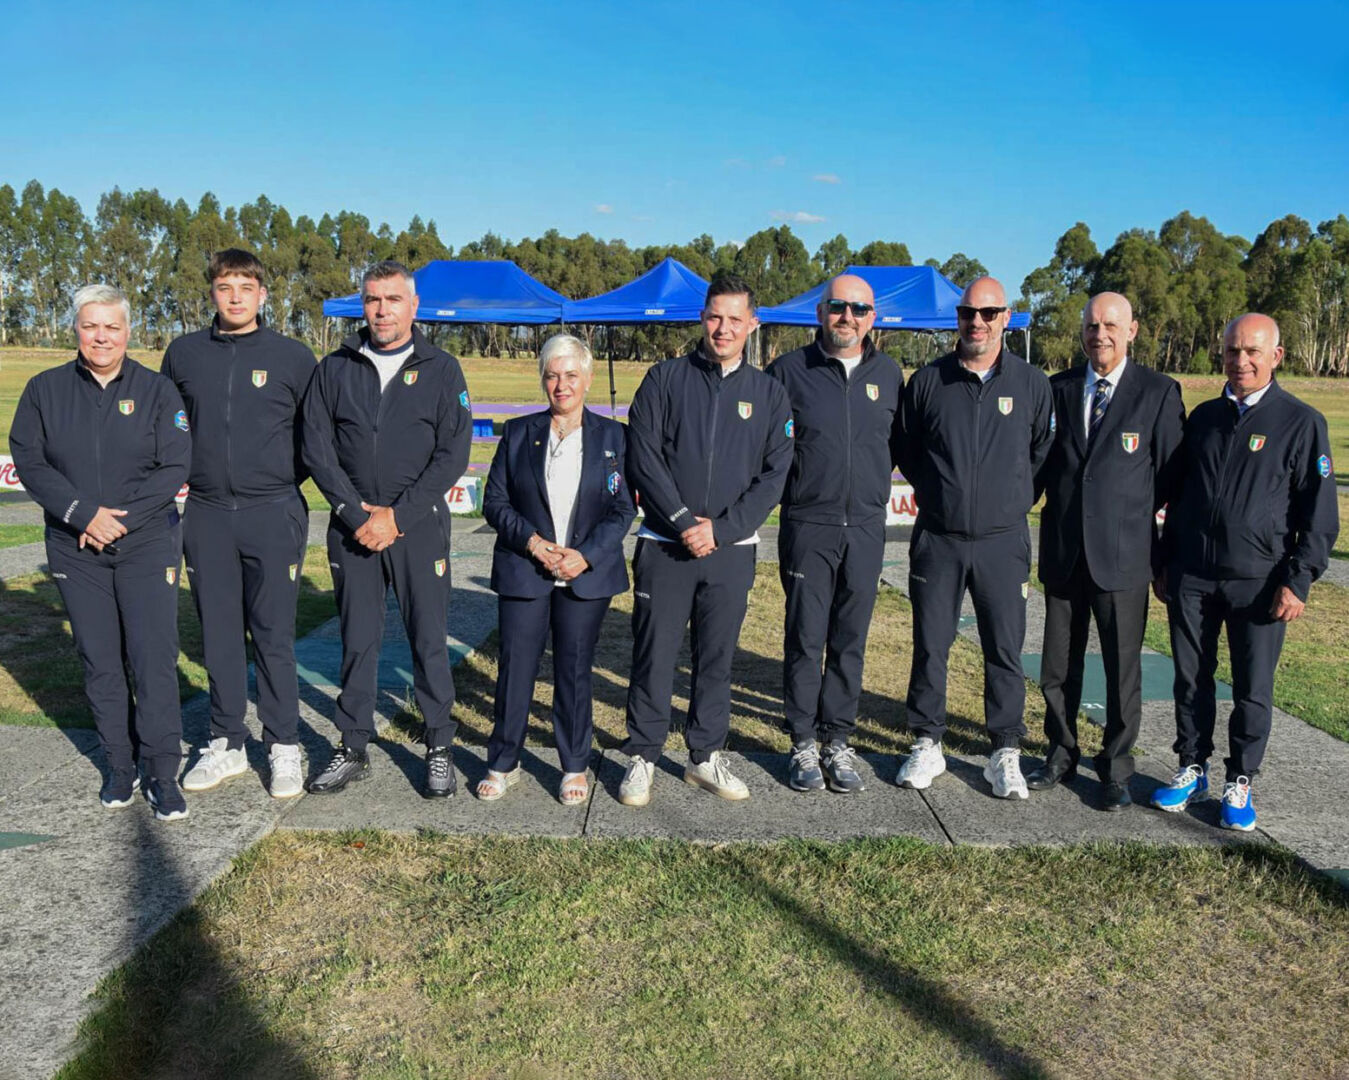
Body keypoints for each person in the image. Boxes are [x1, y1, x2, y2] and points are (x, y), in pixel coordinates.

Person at [10, 284, 192, 819]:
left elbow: (175, 464)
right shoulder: (44, 389)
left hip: (147, 542)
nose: (101, 337)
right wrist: (82, 514)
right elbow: (30, 461)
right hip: (75, 547)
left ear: (128, 331)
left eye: (112, 326)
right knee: (100, 659)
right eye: (91, 326)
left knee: (152, 658)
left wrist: (117, 521)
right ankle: (119, 764)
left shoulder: (157, 390)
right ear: (76, 329)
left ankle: (161, 771)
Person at [1152, 313, 1338, 830]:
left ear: (1276, 356)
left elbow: (1320, 516)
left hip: (1259, 581)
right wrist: (1165, 561)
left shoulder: (1301, 422)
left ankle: (1240, 779)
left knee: (1251, 688)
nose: (1241, 361)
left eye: (1253, 351)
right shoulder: (1204, 418)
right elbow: (1177, 496)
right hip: (1192, 575)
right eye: (1233, 351)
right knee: (1191, 679)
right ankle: (1193, 766)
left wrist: (1298, 580)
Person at [620, 275, 794, 806]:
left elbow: (774, 475)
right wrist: (681, 521)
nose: (723, 328)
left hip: (730, 551)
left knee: (716, 658)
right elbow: (643, 455)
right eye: (715, 316)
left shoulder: (769, 393)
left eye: (735, 319)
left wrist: (720, 529)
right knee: (654, 654)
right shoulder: (664, 378)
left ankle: (704, 756)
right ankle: (643, 755)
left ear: (752, 324)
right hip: (664, 544)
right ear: (702, 317)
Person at [302, 260, 472, 798]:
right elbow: (317, 449)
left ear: (413, 306)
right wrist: (357, 516)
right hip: (352, 529)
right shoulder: (335, 367)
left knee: (428, 638)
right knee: (357, 639)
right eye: (373, 299)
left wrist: (396, 517)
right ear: (364, 305)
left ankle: (439, 744)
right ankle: (353, 745)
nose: (382, 310)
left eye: (393, 299)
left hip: (416, 527)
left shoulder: (442, 369)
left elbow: (452, 454)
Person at [163, 249, 316, 799]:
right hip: (206, 513)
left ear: (262, 295)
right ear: (211, 292)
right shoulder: (183, 354)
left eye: (245, 287)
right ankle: (226, 741)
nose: (235, 297)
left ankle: (283, 744)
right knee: (219, 634)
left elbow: (315, 437)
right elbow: (169, 428)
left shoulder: (292, 357)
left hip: (272, 511)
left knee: (273, 634)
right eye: (225, 286)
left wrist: (275, 481)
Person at [893, 276, 1054, 799]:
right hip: (938, 538)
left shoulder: (1032, 384)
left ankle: (1004, 749)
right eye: (968, 313)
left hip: (1003, 541)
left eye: (988, 313)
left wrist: (1009, 501)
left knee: (1004, 648)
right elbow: (907, 449)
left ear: (1006, 317)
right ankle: (927, 741)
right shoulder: (928, 381)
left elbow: (1041, 454)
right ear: (957, 318)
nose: (977, 323)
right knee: (931, 644)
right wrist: (942, 493)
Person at [1029, 292, 1185, 810]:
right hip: (1063, 554)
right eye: (1092, 325)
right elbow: (1040, 467)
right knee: (1057, 667)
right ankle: (1060, 752)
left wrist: (1155, 548)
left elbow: (1171, 481)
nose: (1100, 334)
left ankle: (1115, 767)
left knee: (1121, 672)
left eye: (1111, 325)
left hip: (1123, 558)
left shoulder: (1158, 392)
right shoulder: (1057, 388)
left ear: (1132, 330)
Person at [480, 334, 635, 804]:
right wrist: (532, 543)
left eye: (570, 375)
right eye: (552, 376)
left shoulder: (614, 437)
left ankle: (574, 764)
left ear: (587, 379)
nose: (561, 385)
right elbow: (495, 502)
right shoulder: (518, 433)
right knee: (516, 669)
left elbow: (622, 509)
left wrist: (584, 554)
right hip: (526, 570)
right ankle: (504, 761)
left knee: (574, 669)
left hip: (584, 574)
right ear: (542, 380)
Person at [765, 274, 904, 794]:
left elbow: (901, 445)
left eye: (859, 309)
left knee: (850, 640)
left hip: (866, 527)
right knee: (805, 637)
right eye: (839, 306)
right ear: (820, 311)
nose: (848, 317)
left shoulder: (889, 374)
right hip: (809, 525)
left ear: (873, 318)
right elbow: (765, 447)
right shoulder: (787, 371)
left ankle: (837, 739)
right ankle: (802, 740)